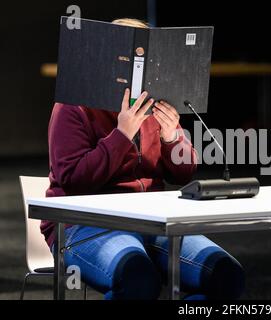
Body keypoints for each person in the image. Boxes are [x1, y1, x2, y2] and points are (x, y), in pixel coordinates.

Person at [40, 18, 245, 300]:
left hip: (150, 221)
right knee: (138, 279)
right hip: (83, 224)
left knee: (226, 276)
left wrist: (172, 136)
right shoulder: (74, 105)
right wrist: (121, 135)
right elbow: (73, 179)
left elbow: (183, 174)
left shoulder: (155, 103)